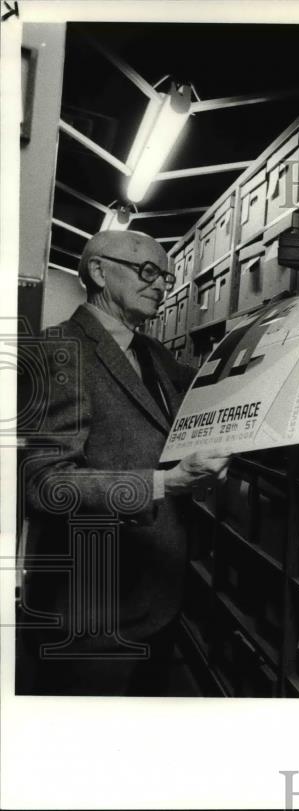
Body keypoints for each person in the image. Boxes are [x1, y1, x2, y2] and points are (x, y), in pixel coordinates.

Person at [19, 230, 230, 696]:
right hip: (92, 611)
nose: (160, 286)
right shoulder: (60, 349)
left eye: (166, 277)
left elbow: (209, 394)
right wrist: (165, 484)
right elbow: (46, 485)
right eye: (148, 272)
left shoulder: (151, 352)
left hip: (157, 595)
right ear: (98, 271)